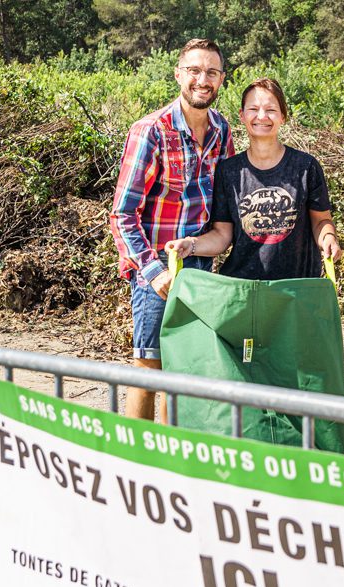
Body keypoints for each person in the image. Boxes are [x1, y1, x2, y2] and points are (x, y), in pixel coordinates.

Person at [110, 39, 235, 421]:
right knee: (149, 367)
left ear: (222, 80)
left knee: (187, 367)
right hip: (157, 271)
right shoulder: (151, 131)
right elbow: (122, 215)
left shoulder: (221, 131)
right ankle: (136, 458)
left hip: (200, 266)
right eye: (195, 70)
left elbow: (223, 207)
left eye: (211, 72)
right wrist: (154, 273)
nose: (203, 79)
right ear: (179, 74)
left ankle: (171, 457)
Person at [166, 77, 341, 278]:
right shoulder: (229, 172)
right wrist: (191, 244)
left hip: (298, 289)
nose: (262, 116)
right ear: (242, 115)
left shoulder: (306, 167)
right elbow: (223, 236)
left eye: (271, 110)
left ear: (283, 116)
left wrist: (328, 237)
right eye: (253, 109)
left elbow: (321, 221)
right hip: (244, 290)